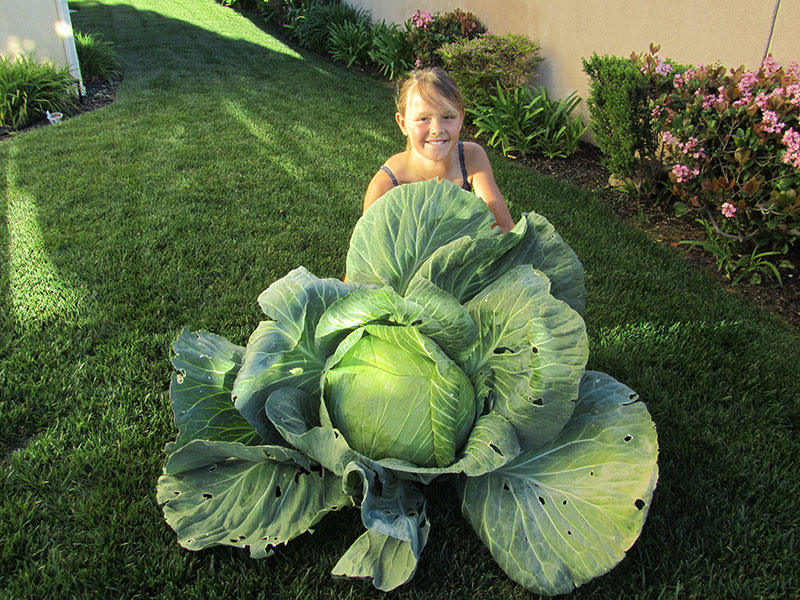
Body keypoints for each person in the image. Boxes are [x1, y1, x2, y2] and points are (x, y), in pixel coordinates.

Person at [363, 67, 515, 233]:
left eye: (447, 116)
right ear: (403, 124)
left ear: (461, 119)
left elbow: (504, 227)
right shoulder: (386, 184)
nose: (437, 129)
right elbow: (369, 249)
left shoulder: (471, 158)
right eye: (423, 119)